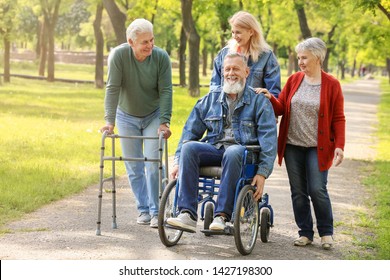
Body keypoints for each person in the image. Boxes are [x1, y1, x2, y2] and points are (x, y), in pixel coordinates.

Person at [166, 53, 277, 232]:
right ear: (222, 71)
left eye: (236, 69)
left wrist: (263, 172)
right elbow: (190, 132)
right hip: (216, 149)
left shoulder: (259, 102)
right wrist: (179, 161)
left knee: (233, 151)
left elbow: (269, 140)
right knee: (189, 148)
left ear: (246, 72)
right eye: (227, 69)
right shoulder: (210, 99)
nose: (231, 73)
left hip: (244, 155)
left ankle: (221, 216)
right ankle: (187, 213)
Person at [259, 37, 346, 250]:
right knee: (298, 191)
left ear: (317, 57)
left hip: (318, 147)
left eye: (304, 57)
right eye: (299, 58)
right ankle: (305, 233)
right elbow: (281, 109)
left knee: (317, 189)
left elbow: (338, 118)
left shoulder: (332, 84)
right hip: (292, 145)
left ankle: (326, 233)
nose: (301, 62)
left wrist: (340, 145)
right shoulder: (294, 79)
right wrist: (270, 97)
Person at [100, 18, 172, 228]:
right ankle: (143, 209)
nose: (150, 45)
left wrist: (164, 122)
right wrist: (109, 121)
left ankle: (157, 210)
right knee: (133, 166)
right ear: (131, 42)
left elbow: (166, 90)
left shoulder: (160, 57)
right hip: (126, 115)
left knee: (152, 163)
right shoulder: (119, 56)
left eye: (152, 40)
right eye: (144, 42)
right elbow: (112, 88)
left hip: (153, 114)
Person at [210, 11, 281, 99]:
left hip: (253, 111)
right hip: (226, 110)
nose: (234, 36)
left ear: (251, 32)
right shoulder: (224, 54)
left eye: (238, 32)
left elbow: (273, 93)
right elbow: (214, 88)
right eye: (232, 32)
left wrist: (263, 98)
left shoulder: (267, 56)